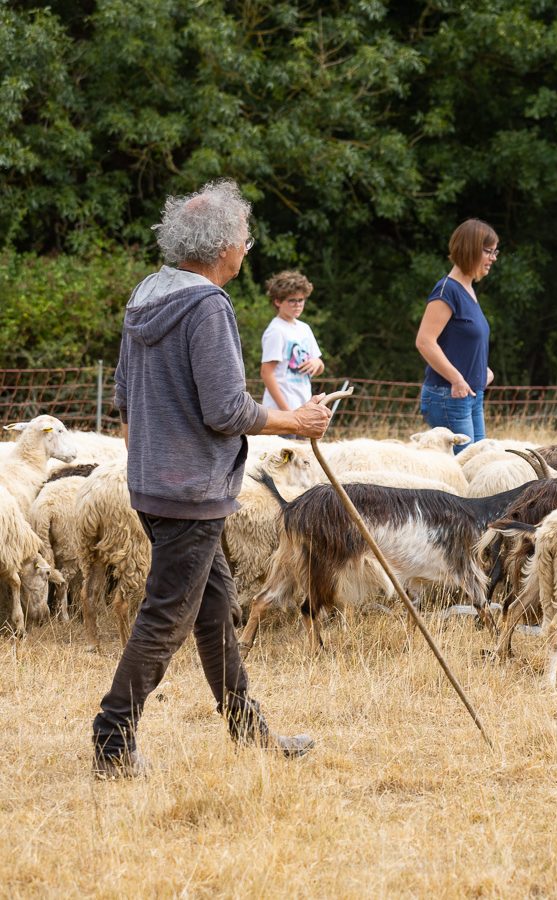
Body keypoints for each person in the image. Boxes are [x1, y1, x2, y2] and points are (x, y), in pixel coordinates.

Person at [92, 180, 333, 780]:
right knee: (167, 616)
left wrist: (149, 461)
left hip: (153, 485)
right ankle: (112, 738)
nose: (247, 249)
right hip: (192, 491)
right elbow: (226, 410)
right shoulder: (206, 305)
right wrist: (294, 420)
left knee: (214, 604)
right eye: (245, 239)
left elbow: (125, 397)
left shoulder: (145, 294)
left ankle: (247, 729)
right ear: (222, 244)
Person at [416, 219, 497, 453]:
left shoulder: (468, 290)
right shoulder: (447, 290)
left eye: (495, 252)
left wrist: (482, 371)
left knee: (479, 465)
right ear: (470, 249)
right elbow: (424, 341)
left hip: (470, 395)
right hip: (448, 397)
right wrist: (456, 379)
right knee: (466, 471)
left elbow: (462, 343)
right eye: (488, 251)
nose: (493, 258)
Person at [260, 270, 325, 411]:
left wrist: (316, 363)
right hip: (281, 412)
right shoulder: (276, 331)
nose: (298, 305)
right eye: (292, 300)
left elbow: (319, 366)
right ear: (278, 301)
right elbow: (266, 373)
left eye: (301, 300)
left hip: (303, 408)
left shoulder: (304, 328)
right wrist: (288, 413)